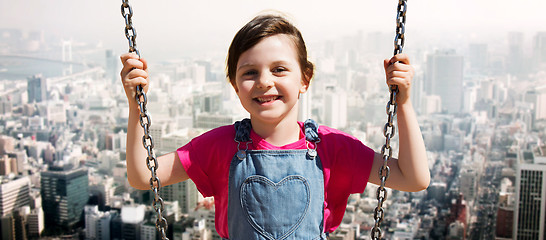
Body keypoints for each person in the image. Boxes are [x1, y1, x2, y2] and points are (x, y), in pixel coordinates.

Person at [120, 13, 429, 240]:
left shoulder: (333, 148)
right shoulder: (220, 146)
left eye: (279, 69)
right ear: (235, 84)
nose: (265, 81)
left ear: (305, 79)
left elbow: (412, 178)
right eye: (249, 72)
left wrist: (403, 104)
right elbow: (142, 176)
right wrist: (136, 107)